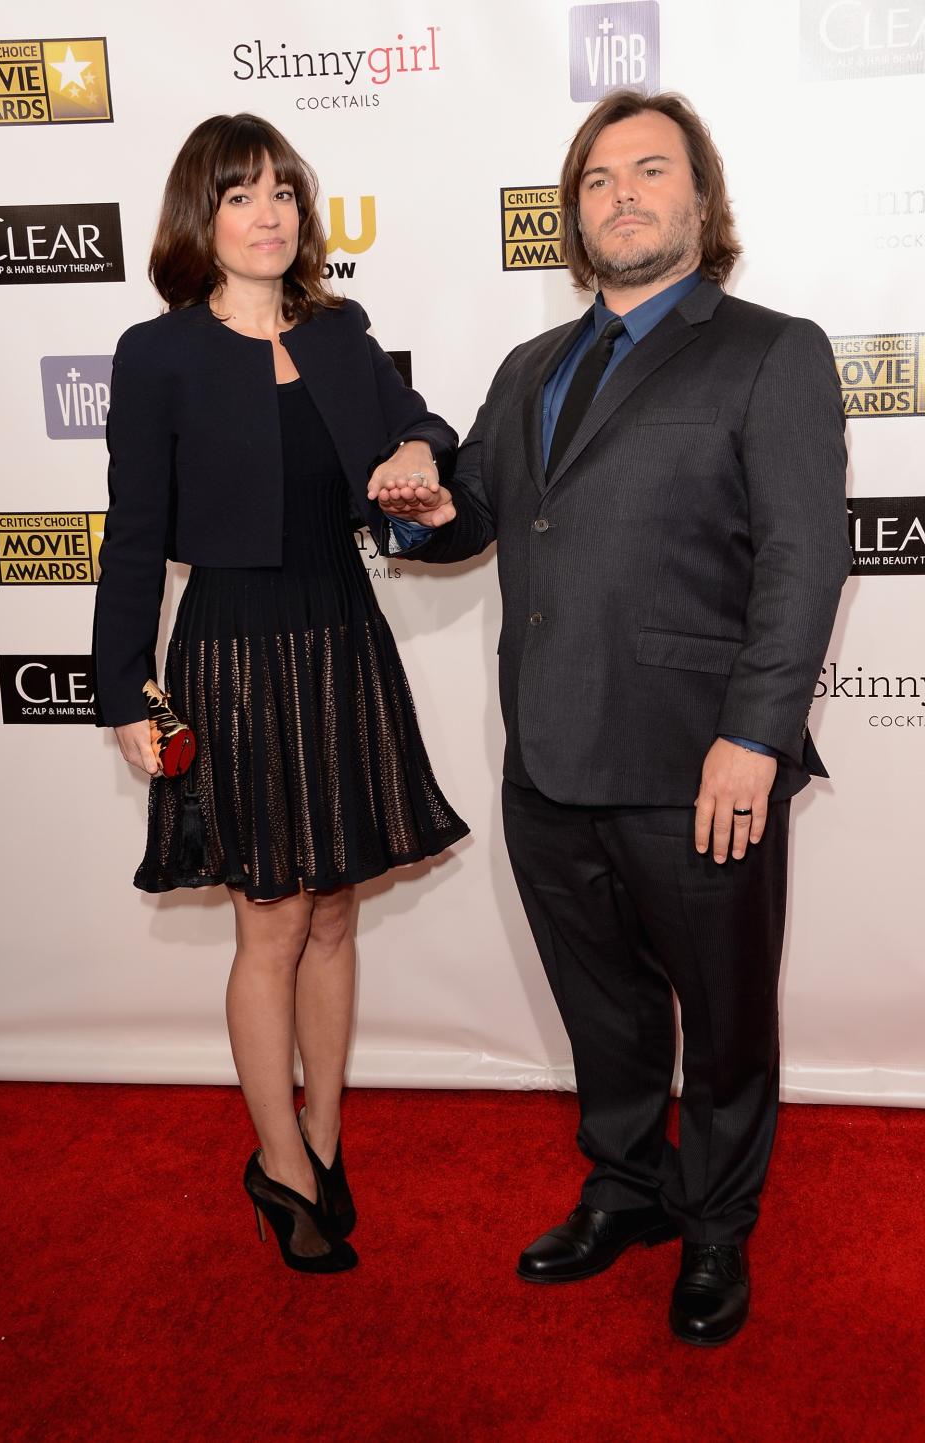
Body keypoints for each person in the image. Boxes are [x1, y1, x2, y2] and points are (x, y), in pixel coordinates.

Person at [371, 90, 851, 1343]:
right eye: (597, 179)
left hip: (701, 761)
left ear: (703, 201)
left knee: (728, 1017)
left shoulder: (771, 349)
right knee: (605, 1005)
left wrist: (755, 736)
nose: (621, 194)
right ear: (572, 212)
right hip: (548, 756)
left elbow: (806, 558)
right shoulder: (531, 366)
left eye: (651, 171)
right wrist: (423, 503)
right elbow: (476, 515)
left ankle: (717, 1228)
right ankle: (628, 1187)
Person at [92, 113, 468, 1276]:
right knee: (272, 917)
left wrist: (418, 448)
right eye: (242, 194)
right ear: (200, 218)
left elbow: (415, 427)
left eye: (284, 193)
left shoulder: (341, 332)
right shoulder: (156, 354)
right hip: (235, 653)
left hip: (344, 639)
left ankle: (324, 1133)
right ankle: (278, 1165)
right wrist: (120, 692)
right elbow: (134, 538)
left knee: (338, 908)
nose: (269, 214)